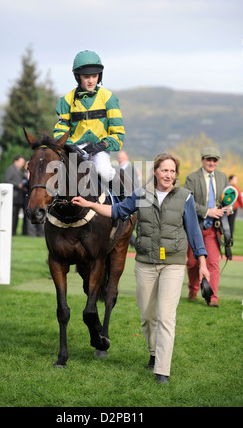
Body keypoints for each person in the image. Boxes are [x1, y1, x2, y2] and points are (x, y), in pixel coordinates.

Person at [72, 153, 210, 384]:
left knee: (166, 317)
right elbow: (117, 212)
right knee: (147, 316)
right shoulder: (141, 194)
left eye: (172, 171)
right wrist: (89, 204)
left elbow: (194, 233)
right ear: (155, 171)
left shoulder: (184, 197)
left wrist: (202, 262)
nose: (168, 175)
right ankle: (154, 353)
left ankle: (162, 370)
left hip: (173, 264)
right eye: (164, 170)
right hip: (145, 263)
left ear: (176, 174)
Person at [53, 50, 126, 196]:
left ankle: (122, 202)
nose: (91, 80)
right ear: (78, 77)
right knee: (55, 174)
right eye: (87, 77)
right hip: (74, 149)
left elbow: (118, 134)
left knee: (103, 172)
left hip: (99, 149)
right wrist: (69, 145)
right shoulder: (66, 101)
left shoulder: (109, 98)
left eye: (94, 76)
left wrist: (101, 145)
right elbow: (59, 132)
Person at [184, 147, 229, 307]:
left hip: (213, 229)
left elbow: (227, 198)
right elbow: (187, 202)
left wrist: (227, 208)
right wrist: (207, 211)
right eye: (209, 159)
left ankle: (213, 298)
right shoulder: (192, 178)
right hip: (195, 227)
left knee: (213, 263)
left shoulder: (223, 177)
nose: (212, 162)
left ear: (217, 162)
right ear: (202, 160)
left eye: (215, 160)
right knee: (192, 263)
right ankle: (193, 290)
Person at [4, 155, 26, 235]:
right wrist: (18, 185)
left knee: (16, 216)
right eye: (21, 162)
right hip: (13, 197)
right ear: (16, 161)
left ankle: (14, 231)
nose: (22, 164)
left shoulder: (19, 171)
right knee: (12, 216)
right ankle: (11, 231)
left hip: (18, 197)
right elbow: (7, 180)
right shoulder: (10, 169)